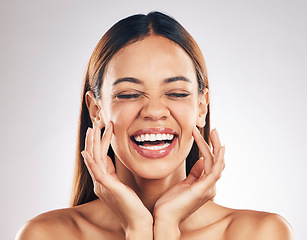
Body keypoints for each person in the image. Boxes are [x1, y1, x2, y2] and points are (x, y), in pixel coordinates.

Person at [16, 11, 293, 240]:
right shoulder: (46, 235)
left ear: (201, 107)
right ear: (96, 110)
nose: (154, 111)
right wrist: (137, 228)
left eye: (176, 93)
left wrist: (167, 223)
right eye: (128, 94)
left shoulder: (261, 233)